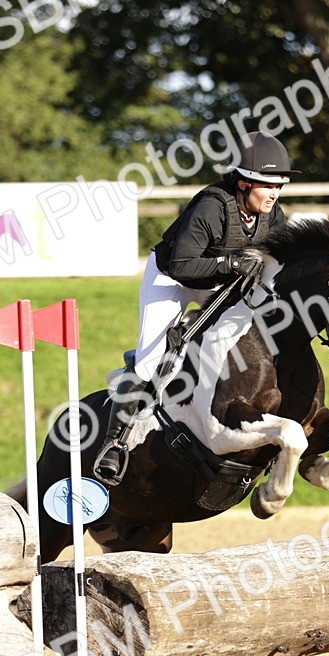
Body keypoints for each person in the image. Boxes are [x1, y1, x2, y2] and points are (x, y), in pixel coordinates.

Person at [92, 131, 298, 486]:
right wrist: (233, 264)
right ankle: (114, 443)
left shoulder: (271, 215)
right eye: (268, 186)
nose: (275, 194)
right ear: (245, 182)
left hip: (215, 280)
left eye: (279, 186)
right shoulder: (211, 206)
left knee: (242, 338)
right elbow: (181, 265)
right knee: (151, 357)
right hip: (170, 278)